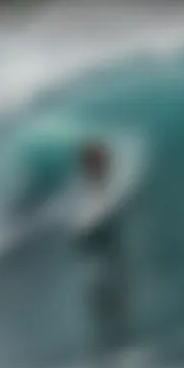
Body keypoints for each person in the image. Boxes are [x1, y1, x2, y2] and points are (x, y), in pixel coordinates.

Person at [77, 140, 129, 355]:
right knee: (106, 295)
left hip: (102, 235)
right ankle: (113, 344)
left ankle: (115, 344)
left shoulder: (100, 186)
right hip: (100, 236)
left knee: (109, 287)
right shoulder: (95, 184)